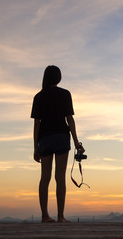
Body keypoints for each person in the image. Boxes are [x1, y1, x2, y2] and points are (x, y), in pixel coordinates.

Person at [31, 65, 84, 223]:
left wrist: (35, 148)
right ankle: (61, 216)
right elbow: (70, 119)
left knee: (44, 177)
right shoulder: (65, 94)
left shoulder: (38, 96)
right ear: (58, 78)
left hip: (44, 139)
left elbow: (37, 124)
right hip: (61, 137)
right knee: (60, 177)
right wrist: (76, 142)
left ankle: (44, 216)